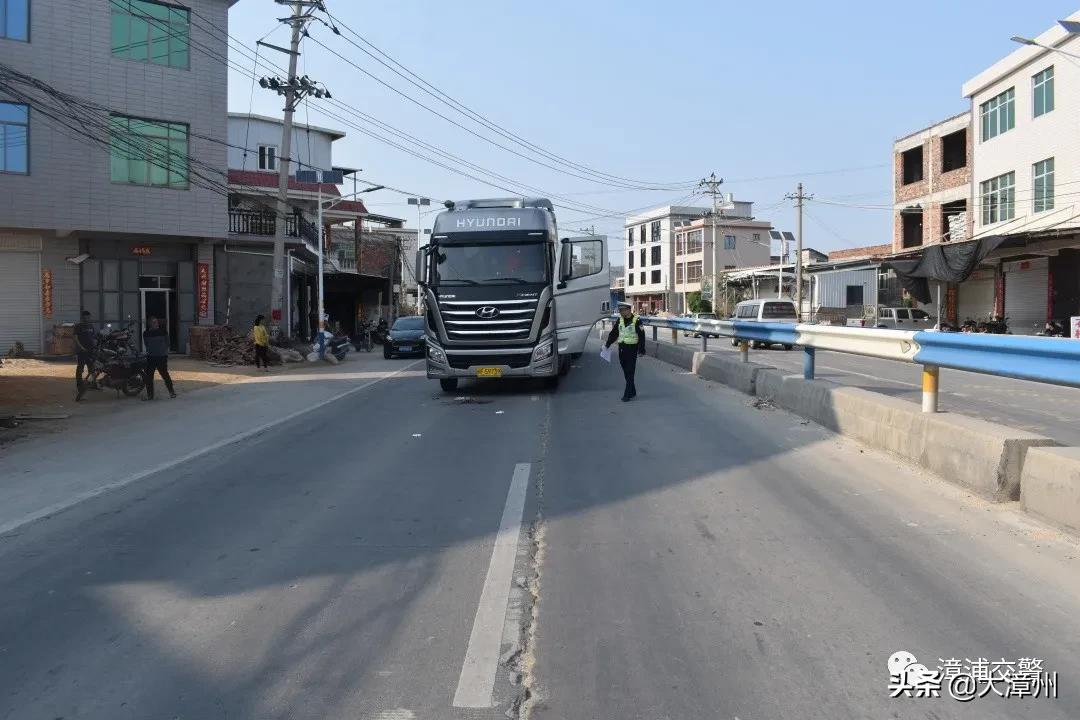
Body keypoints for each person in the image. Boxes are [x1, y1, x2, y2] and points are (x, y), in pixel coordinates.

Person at [604, 302, 646, 402]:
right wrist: (607, 344)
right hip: (622, 349)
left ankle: (627, 394)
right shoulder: (620, 320)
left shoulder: (637, 320)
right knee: (626, 371)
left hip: (632, 349)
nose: (620, 312)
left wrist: (641, 350)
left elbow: (641, 336)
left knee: (630, 371)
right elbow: (614, 333)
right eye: (620, 310)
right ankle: (633, 390)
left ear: (628, 310)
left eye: (622, 310)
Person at [142, 317, 176, 400]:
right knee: (149, 377)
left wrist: (162, 350)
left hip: (161, 357)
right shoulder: (146, 333)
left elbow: (167, 343)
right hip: (151, 357)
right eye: (153, 322)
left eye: (156, 322)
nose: (155, 324)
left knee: (165, 375)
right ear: (150, 324)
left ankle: (171, 392)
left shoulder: (163, 332)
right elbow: (146, 344)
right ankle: (150, 395)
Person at [74, 310, 97, 401]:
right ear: (82, 318)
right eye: (85, 317)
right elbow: (75, 338)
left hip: (91, 351)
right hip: (82, 351)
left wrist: (95, 345)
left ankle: (93, 384)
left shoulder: (91, 326)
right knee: (80, 369)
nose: (87, 319)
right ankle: (79, 386)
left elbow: (93, 337)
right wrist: (81, 347)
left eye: (88, 317)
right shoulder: (78, 326)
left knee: (92, 368)